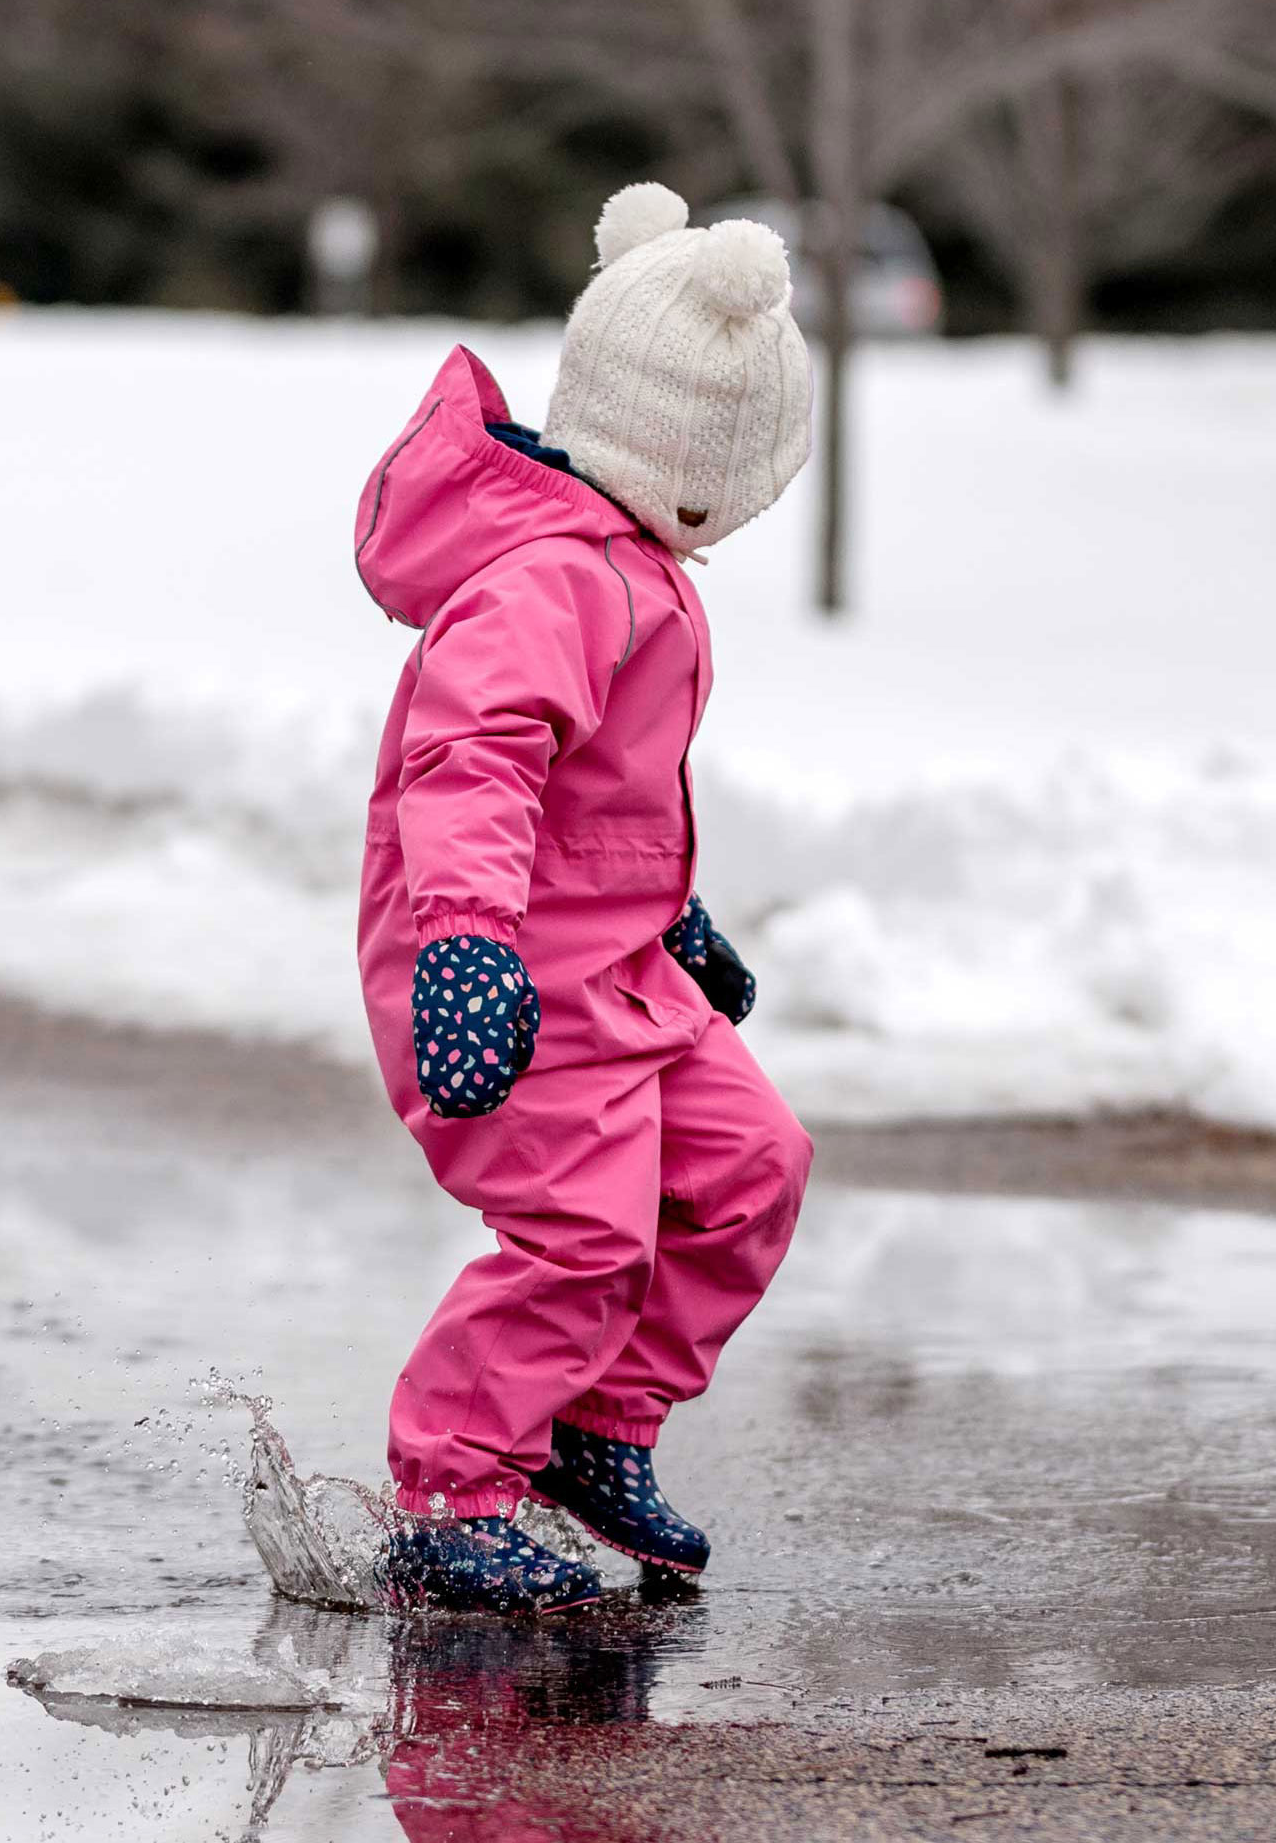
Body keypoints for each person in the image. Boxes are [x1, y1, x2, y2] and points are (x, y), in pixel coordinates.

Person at [353, 183, 816, 1615]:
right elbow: (473, 764)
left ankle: (594, 1428)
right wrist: (469, 943)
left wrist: (671, 914)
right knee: (586, 1238)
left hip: (613, 964)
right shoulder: (555, 575)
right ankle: (451, 1489)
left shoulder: (630, 564)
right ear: (702, 458)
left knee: (752, 1167)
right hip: (500, 970)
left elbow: (605, 788)